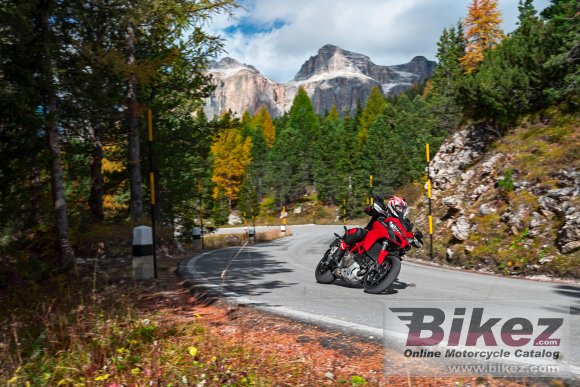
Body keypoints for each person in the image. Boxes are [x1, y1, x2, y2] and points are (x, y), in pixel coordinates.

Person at [333, 194, 422, 261]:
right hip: (369, 234)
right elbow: (367, 211)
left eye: (402, 209)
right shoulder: (383, 212)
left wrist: (413, 237)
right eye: (399, 207)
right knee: (358, 232)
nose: (401, 210)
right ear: (393, 204)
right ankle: (339, 251)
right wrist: (373, 208)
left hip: (387, 239)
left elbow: (405, 232)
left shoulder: (400, 222)